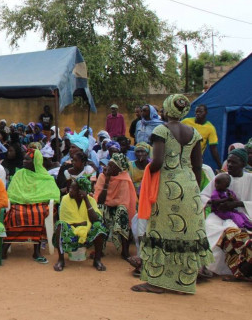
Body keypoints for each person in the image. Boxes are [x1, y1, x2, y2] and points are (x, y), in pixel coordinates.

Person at [133, 94, 213, 295]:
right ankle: (184, 282)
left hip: (168, 187)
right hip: (189, 186)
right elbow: (197, 165)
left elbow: (158, 162)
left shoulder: (161, 130)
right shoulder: (194, 133)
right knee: (185, 234)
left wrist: (149, 175)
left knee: (160, 231)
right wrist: (190, 185)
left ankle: (156, 283)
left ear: (167, 110)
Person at [200, 148, 252, 275]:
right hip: (218, 214)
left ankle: (228, 269)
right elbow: (203, 196)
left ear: (243, 164)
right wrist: (215, 203)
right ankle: (208, 266)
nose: (229, 165)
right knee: (210, 226)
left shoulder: (250, 179)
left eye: (233, 162)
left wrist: (238, 204)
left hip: (241, 214)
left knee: (231, 229)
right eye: (228, 162)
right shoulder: (221, 177)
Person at [3, 148, 60, 263]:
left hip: (39, 204)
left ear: (35, 162)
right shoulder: (19, 174)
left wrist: (33, 199)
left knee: (37, 214)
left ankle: (36, 251)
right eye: (24, 159)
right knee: (14, 214)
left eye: (27, 160)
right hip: (20, 203)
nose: (24, 161)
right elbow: (12, 192)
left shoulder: (45, 177)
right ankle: (4, 249)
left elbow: (53, 194)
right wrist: (25, 199)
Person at [53, 177, 108, 272]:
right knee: (60, 225)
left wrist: (86, 199)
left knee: (99, 226)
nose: (69, 190)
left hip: (87, 233)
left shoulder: (91, 200)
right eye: (70, 188)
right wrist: (83, 223)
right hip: (71, 232)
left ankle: (97, 260)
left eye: (73, 189)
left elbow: (95, 219)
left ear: (81, 192)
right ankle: (61, 260)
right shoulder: (65, 199)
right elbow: (65, 220)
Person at [94, 153, 137, 260]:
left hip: (118, 206)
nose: (108, 168)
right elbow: (99, 199)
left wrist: (108, 203)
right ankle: (100, 249)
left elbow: (122, 200)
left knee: (122, 211)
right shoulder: (102, 176)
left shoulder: (124, 179)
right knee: (100, 209)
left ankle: (125, 250)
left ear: (119, 169)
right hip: (106, 205)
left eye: (112, 166)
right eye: (109, 164)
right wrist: (107, 181)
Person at [182, 104, 222, 169]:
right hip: (182, 155)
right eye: (196, 112)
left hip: (196, 158)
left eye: (200, 112)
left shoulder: (210, 128)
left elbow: (213, 148)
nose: (197, 113)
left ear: (206, 113)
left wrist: (220, 165)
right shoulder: (186, 121)